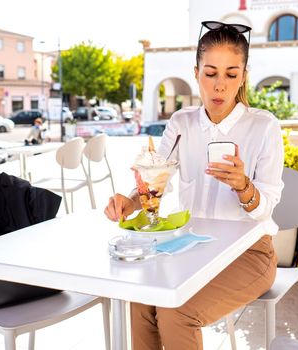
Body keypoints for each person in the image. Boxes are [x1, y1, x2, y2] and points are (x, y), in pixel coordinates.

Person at [104, 21, 284, 350]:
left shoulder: (263, 127)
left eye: (231, 74)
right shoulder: (181, 123)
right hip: (191, 247)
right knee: (141, 299)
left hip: (250, 254)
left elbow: (267, 206)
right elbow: (156, 179)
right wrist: (133, 200)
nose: (219, 86)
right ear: (196, 72)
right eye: (210, 73)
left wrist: (244, 186)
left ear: (243, 76)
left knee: (177, 311)